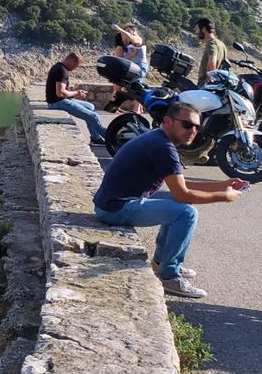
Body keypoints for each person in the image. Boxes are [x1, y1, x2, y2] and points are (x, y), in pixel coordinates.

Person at [93, 102, 247, 298]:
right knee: (186, 212)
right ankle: (169, 277)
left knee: (181, 205)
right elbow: (183, 193)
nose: (193, 131)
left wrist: (222, 184)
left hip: (119, 201)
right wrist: (224, 197)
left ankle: (161, 262)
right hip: (116, 208)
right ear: (167, 121)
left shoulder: (159, 139)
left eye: (197, 127)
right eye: (187, 124)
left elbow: (180, 183)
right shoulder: (163, 146)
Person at [46, 52, 108, 144]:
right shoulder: (61, 71)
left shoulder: (58, 67)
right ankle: (111, 138)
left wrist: (75, 94)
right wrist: (76, 92)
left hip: (58, 100)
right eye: (75, 66)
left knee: (90, 107)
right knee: (93, 116)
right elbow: (60, 93)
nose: (75, 69)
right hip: (57, 102)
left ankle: (95, 137)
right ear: (71, 61)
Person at [111, 21, 147, 113]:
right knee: (117, 83)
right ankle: (113, 106)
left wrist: (119, 28)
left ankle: (137, 109)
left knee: (137, 85)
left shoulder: (138, 39)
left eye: (128, 30)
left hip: (139, 66)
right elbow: (120, 58)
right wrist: (129, 56)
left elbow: (134, 40)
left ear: (134, 31)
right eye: (125, 31)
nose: (125, 33)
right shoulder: (125, 45)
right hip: (129, 66)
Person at [194, 17, 227, 86]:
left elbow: (212, 61)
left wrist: (209, 82)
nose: (195, 32)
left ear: (204, 29)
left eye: (197, 29)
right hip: (217, 84)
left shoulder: (211, 43)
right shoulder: (221, 44)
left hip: (206, 84)